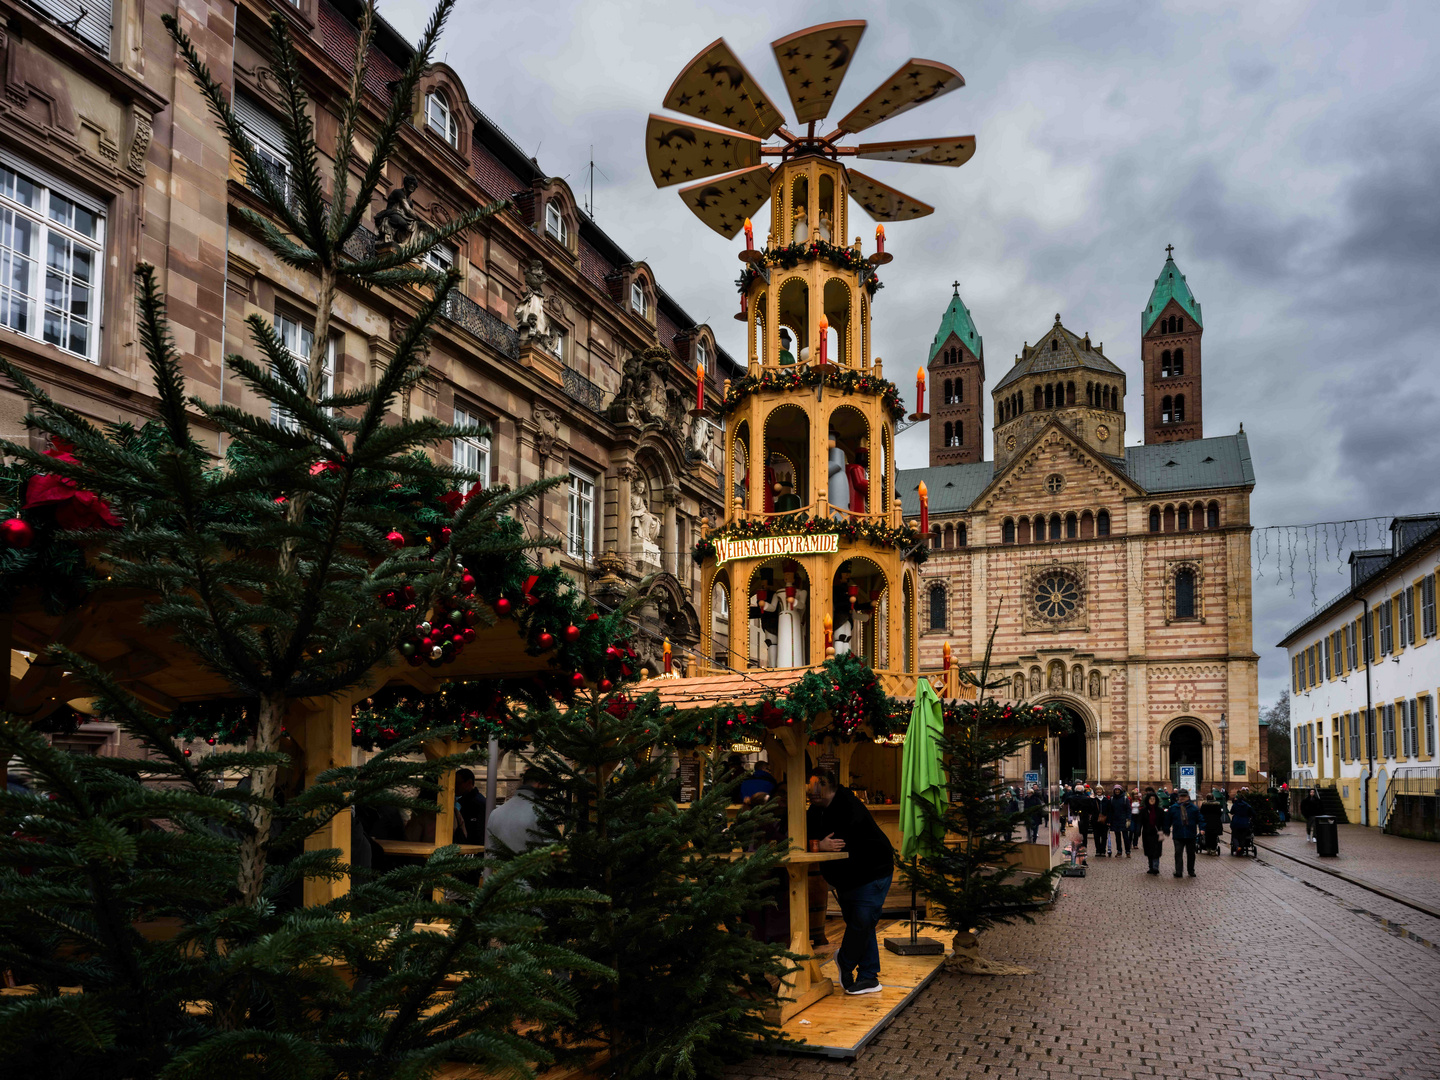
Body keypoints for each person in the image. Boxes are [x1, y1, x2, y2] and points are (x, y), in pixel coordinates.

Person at [807, 768, 894, 996]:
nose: (810, 792)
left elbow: (837, 841)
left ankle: (845, 961)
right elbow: (804, 836)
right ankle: (869, 977)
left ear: (826, 785)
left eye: (815, 787)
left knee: (862, 922)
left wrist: (817, 844)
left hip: (872, 872)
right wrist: (817, 844)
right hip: (846, 878)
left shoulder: (847, 806)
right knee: (862, 927)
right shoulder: (817, 810)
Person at [485, 767, 547, 856]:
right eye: (547, 787)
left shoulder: (495, 814)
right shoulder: (542, 811)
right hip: (535, 867)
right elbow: (553, 848)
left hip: (504, 868)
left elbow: (492, 851)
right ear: (539, 784)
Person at [1163, 787, 1202, 878]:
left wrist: (1202, 828)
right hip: (1178, 834)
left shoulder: (1193, 808)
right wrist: (1166, 829)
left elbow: (1200, 819)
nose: (1182, 798)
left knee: (1191, 854)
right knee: (1178, 853)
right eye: (1181, 796)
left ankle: (1191, 871)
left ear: (1188, 797)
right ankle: (1179, 871)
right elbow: (1168, 820)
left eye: (1184, 796)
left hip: (1190, 834)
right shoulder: (1173, 808)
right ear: (1178, 797)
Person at [453, 767, 486, 846]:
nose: (454, 787)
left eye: (457, 783)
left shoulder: (478, 804)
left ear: (469, 783)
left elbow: (478, 833)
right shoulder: (464, 801)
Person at [1138, 791, 1165, 874]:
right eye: (1150, 799)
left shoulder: (1160, 810)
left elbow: (1164, 821)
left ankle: (1155, 867)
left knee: (1156, 850)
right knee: (1149, 850)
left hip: (1157, 833)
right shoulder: (1143, 811)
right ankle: (1151, 866)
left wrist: (1165, 829)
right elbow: (1140, 822)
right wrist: (1138, 831)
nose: (1152, 800)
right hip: (1147, 833)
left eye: (1153, 799)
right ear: (1147, 800)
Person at [1109, 785, 1132, 858]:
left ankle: (1128, 851)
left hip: (1123, 819)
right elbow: (1110, 811)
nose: (1117, 791)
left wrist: (1128, 819)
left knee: (1125, 837)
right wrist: (1110, 820)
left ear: (1121, 790)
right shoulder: (1112, 799)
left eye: (1118, 790)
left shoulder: (1125, 799)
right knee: (1117, 837)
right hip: (1115, 820)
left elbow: (1128, 810)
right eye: (1115, 790)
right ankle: (1119, 851)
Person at [1229, 791, 1255, 855]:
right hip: (1245, 823)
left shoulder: (1235, 805)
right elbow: (1253, 813)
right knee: (1243, 837)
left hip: (1236, 823)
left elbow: (1231, 812)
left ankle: (1237, 847)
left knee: (1235, 836)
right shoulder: (1247, 805)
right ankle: (1242, 848)